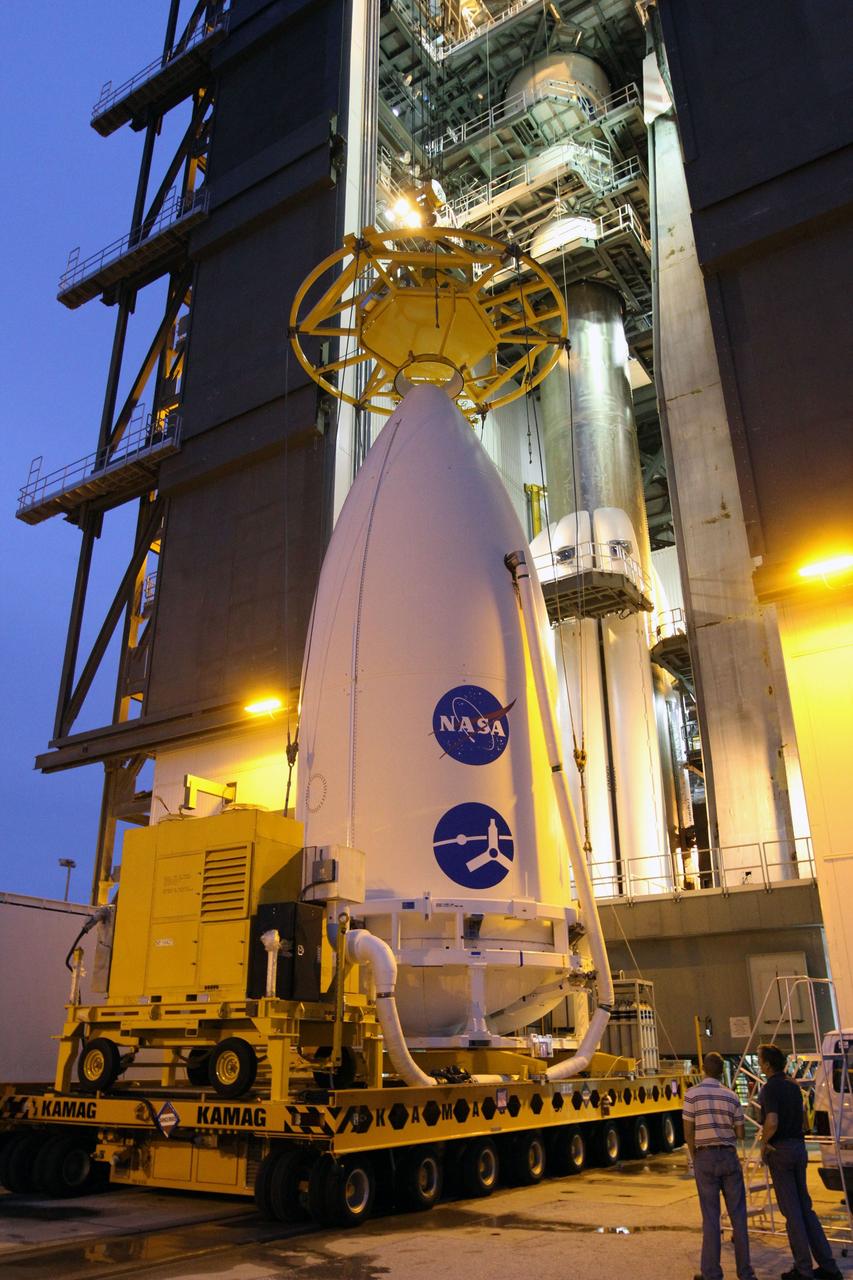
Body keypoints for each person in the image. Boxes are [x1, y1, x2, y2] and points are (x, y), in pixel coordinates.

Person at [758, 1042, 842, 1280]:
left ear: (767, 1064)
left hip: (781, 1150)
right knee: (806, 1209)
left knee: (792, 1213)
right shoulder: (793, 1086)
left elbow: (772, 1121)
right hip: (798, 1147)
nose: (760, 1064)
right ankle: (828, 1266)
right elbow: (805, 1120)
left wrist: (764, 1143)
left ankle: (803, 1269)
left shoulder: (770, 1089)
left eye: (760, 1060)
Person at [683, 1050, 757, 1280]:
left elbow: (688, 1131)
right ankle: (745, 1272)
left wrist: (695, 1157)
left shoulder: (692, 1095)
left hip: (705, 1157)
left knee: (711, 1217)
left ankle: (711, 1273)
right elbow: (741, 1133)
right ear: (721, 1071)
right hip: (728, 1156)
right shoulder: (731, 1096)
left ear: (703, 1069)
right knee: (738, 1216)